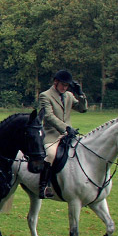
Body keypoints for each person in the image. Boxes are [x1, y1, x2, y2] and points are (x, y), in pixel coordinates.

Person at [36, 69, 88, 199]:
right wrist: (66, 128)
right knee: (51, 154)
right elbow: (48, 116)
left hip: (69, 135)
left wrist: (81, 95)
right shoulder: (45, 95)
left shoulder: (69, 95)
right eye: (62, 84)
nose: (64, 87)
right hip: (51, 133)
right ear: (56, 82)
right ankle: (44, 186)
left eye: (67, 85)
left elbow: (83, 109)